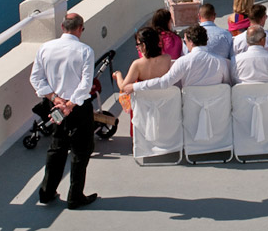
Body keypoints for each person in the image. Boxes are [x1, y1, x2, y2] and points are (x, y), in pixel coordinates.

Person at [29, 13, 98, 209]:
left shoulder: (45, 48)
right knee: (81, 151)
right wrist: (70, 104)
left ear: (62, 26)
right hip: (78, 108)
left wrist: (55, 99)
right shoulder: (85, 51)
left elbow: (36, 79)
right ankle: (75, 196)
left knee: (57, 147)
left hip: (55, 107)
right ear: (80, 28)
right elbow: (85, 84)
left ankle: (46, 192)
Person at [125, 25, 229, 92]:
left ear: (190, 42)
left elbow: (164, 83)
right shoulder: (221, 62)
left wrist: (135, 87)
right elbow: (227, 85)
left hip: (191, 112)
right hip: (217, 111)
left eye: (185, 40)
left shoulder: (183, 62)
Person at [113, 27, 172, 136]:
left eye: (138, 44)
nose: (137, 47)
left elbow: (123, 87)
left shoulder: (137, 64)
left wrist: (118, 75)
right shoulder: (167, 59)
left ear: (144, 45)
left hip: (143, 107)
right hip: (162, 103)